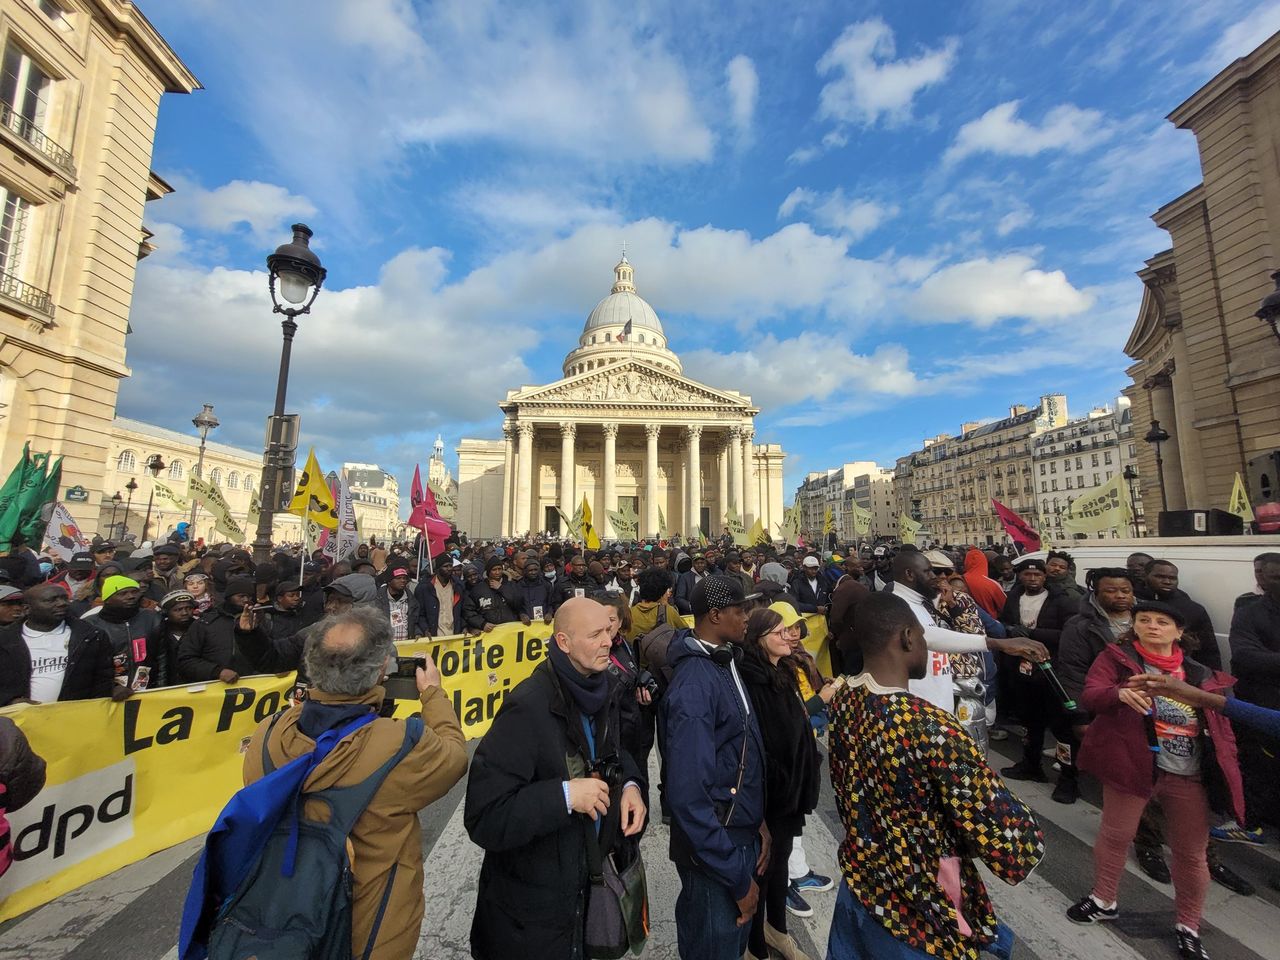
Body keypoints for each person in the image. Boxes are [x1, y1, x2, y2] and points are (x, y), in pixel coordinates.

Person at [827, 592, 1044, 960]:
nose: (928, 647)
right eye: (925, 638)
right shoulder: (928, 725)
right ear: (908, 638)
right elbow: (992, 819)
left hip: (862, 881)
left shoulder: (845, 698)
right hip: (916, 906)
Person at [243, 606, 467, 960]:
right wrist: (433, 695)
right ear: (381, 671)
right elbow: (454, 757)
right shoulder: (400, 743)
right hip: (371, 924)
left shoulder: (270, 733)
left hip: (280, 913)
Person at [465, 597, 646, 960]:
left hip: (587, 888)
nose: (608, 642)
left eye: (608, 632)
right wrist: (564, 796)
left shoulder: (603, 685)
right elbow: (484, 817)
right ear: (563, 643)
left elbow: (616, 749)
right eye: (595, 635)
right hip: (534, 915)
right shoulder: (527, 706)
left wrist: (630, 785)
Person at [1067, 601, 1244, 960]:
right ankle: (1103, 899)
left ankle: (1189, 926)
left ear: (1179, 632)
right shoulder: (1116, 659)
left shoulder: (1199, 674)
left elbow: (1224, 725)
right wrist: (1117, 694)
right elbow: (1089, 695)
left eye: (1162, 621)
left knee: (1191, 854)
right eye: (1144, 620)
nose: (1152, 626)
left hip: (1188, 773)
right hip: (1132, 766)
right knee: (1115, 836)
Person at [661, 575, 766, 960]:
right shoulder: (695, 685)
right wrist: (737, 879)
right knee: (714, 945)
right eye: (741, 610)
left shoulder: (726, 660)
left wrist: (759, 822)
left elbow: (741, 749)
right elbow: (688, 796)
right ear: (716, 616)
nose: (748, 618)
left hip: (738, 831)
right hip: (715, 851)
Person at [736, 606, 819, 960]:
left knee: (781, 863)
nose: (789, 636)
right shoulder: (752, 678)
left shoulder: (784, 669)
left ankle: (778, 929)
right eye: (779, 632)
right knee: (764, 869)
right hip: (772, 795)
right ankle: (755, 946)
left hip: (793, 790)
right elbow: (762, 744)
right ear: (758, 639)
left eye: (789, 630)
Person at [889, 551, 1047, 713]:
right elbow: (928, 636)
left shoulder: (957, 599)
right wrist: (1000, 644)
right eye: (933, 571)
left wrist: (952, 605)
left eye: (948, 572)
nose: (940, 576)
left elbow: (977, 633)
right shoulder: (896, 605)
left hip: (962, 680)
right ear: (910, 574)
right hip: (922, 701)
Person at [997, 558, 1080, 803]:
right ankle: (1031, 765)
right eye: (1027, 574)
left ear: (1045, 577)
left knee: (1062, 729)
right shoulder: (1014, 597)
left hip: (1052, 672)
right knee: (1030, 723)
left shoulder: (1061, 600)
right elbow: (1004, 623)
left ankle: (1068, 779)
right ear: (1020, 576)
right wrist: (1012, 630)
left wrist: (1031, 634)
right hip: (1022, 671)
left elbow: (1068, 633)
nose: (1032, 579)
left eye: (1037, 575)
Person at [1219, 551, 1280, 845]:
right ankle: (1253, 824)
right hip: (1262, 707)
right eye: (1275, 577)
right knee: (1259, 770)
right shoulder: (1249, 611)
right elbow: (1244, 656)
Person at [0, 584, 118, 705]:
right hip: (19, 719)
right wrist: (10, 700)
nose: (62, 603)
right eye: (51, 600)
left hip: (76, 715)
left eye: (65, 598)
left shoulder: (91, 636)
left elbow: (103, 677)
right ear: (27, 609)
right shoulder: (5, 640)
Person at [80, 575, 171, 691]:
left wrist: (161, 689)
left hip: (148, 693)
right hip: (108, 695)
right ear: (107, 599)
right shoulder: (90, 625)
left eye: (134, 592)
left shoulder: (152, 618)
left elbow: (162, 658)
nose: (131, 597)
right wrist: (110, 689)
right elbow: (86, 667)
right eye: (122, 594)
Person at [1144, 559, 1220, 670]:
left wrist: (1213, 680)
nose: (1167, 582)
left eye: (1172, 578)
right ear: (1146, 576)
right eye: (1160, 576)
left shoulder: (1192, 608)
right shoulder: (1131, 600)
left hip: (1179, 670)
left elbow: (1208, 649)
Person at [463, 559, 519, 633]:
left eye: (499, 569)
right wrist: (482, 624)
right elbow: (468, 611)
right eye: (494, 570)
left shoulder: (511, 585)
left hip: (511, 630)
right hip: (489, 634)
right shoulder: (478, 589)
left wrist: (501, 588)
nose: (497, 572)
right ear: (489, 571)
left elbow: (519, 604)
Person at [415, 556, 464, 637]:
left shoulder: (458, 586)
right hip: (433, 636)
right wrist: (425, 629)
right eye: (445, 566)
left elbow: (462, 611)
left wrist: (463, 626)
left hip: (454, 635)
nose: (449, 569)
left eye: (450, 565)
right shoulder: (424, 588)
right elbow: (420, 614)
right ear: (437, 569)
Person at [627, 568, 681, 642]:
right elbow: (684, 633)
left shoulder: (629, 613)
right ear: (661, 592)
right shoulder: (669, 612)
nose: (667, 595)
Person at [377, 566, 421, 642]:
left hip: (406, 646)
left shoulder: (411, 601)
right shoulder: (378, 600)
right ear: (389, 581)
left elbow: (415, 622)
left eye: (404, 578)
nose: (403, 580)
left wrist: (417, 633)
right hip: (387, 647)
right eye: (398, 578)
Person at [506, 558, 555, 624]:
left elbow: (551, 603)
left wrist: (550, 613)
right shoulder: (518, 586)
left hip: (544, 623)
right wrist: (521, 614)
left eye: (535, 570)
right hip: (526, 624)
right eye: (530, 570)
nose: (533, 572)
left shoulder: (546, 584)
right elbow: (516, 606)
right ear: (525, 571)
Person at [961, 548, 1005, 618]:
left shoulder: (958, 580)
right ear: (984, 562)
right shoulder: (992, 584)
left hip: (966, 621)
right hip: (990, 622)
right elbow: (1004, 606)